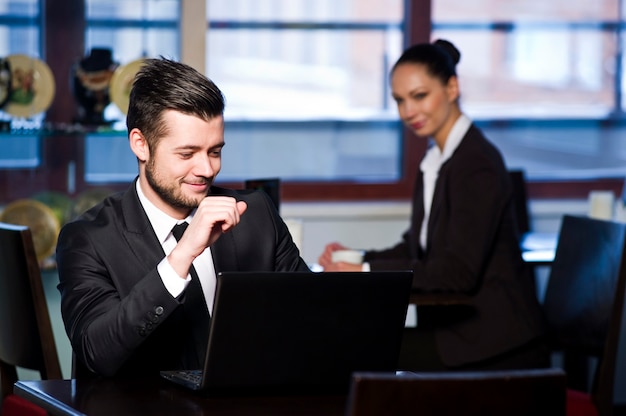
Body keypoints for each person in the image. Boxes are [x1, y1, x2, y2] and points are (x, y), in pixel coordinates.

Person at [56, 57, 310, 378]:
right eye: (187, 154)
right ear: (141, 144)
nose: (206, 169)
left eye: (215, 151)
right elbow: (97, 353)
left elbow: (310, 321)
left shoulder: (256, 213)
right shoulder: (88, 239)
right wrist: (182, 255)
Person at [318, 40, 548, 371]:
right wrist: (358, 258)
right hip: (457, 332)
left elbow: (458, 274)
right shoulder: (439, 160)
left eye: (420, 96)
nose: (408, 111)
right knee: (354, 343)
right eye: (400, 100)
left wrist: (365, 272)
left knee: (355, 350)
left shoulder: (476, 163)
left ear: (452, 88)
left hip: (494, 342)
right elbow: (416, 246)